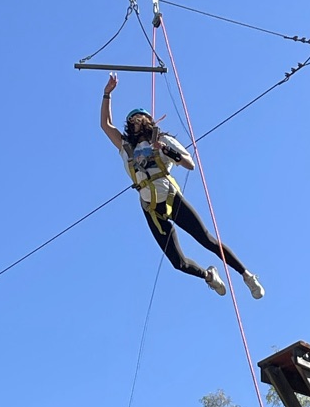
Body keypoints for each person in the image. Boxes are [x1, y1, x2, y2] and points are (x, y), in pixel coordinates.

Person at [100, 73, 264, 298]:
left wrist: (165, 150)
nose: (136, 121)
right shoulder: (125, 147)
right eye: (132, 119)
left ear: (148, 121)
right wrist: (107, 93)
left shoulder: (162, 140)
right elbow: (105, 124)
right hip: (151, 209)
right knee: (177, 262)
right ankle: (208, 276)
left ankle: (246, 274)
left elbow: (189, 164)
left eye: (140, 117)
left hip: (170, 198)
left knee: (206, 239)